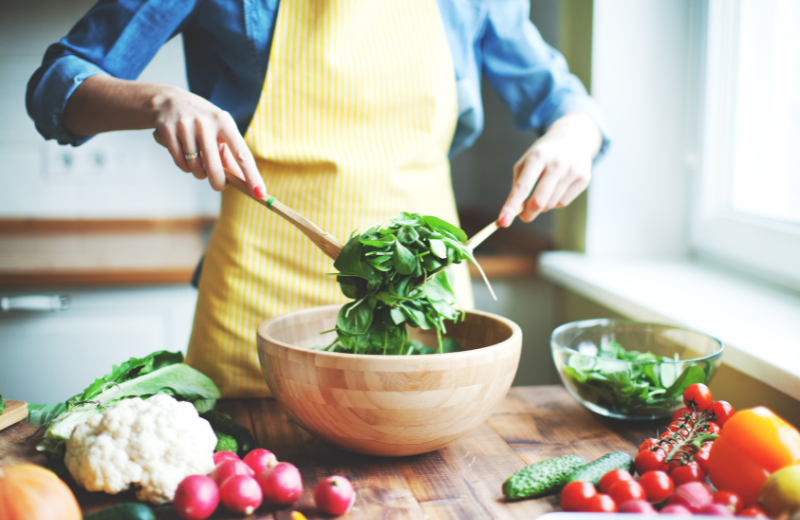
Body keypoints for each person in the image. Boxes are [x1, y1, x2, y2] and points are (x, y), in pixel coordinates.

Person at [27, 0, 608, 398]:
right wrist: (159, 101)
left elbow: (563, 101)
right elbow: (55, 85)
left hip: (424, 306)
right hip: (255, 314)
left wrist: (574, 135)